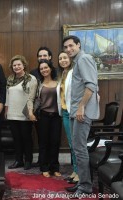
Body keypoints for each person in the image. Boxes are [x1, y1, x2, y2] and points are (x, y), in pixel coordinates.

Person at [63, 35, 99, 197]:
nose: (69, 49)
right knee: (77, 149)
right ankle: (83, 182)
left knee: (79, 149)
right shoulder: (78, 61)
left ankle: (85, 187)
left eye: (71, 46)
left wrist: (81, 107)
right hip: (75, 111)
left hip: (81, 112)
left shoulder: (84, 58)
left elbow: (91, 85)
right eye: (66, 47)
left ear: (78, 45)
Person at [4, 55, 38, 170]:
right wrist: (6, 109)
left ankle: (28, 160)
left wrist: (30, 112)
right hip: (12, 113)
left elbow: (32, 97)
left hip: (25, 113)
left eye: (19, 64)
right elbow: (7, 95)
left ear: (24, 65)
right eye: (14, 65)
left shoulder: (31, 78)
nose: (16, 67)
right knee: (16, 139)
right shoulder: (10, 79)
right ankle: (18, 160)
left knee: (26, 138)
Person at [36, 59, 62, 178]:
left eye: (46, 67)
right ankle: (44, 167)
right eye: (41, 69)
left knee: (55, 142)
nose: (44, 70)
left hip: (56, 117)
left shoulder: (58, 82)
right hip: (43, 116)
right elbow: (34, 100)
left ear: (50, 68)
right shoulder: (38, 84)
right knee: (43, 143)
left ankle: (54, 167)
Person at [56, 51, 79, 184]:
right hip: (64, 112)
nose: (63, 60)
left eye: (65, 57)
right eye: (60, 58)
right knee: (71, 144)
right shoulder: (62, 74)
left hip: (73, 112)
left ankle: (80, 173)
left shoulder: (74, 72)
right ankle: (75, 171)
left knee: (76, 145)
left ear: (70, 59)